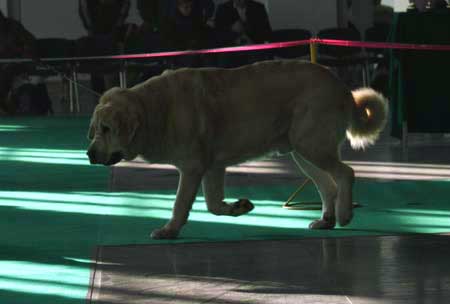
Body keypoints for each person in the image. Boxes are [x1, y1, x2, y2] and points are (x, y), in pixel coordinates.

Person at [78, 0, 131, 94]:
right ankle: (100, 95)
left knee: (113, 68)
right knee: (97, 67)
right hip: (96, 32)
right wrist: (90, 28)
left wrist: (118, 25)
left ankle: (112, 95)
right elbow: (84, 8)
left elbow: (125, 6)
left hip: (113, 33)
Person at [0, 9, 38, 114]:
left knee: (5, 74)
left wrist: (24, 53)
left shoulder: (13, 26)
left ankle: (8, 105)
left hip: (16, 64)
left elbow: (31, 42)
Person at [215, 0, 272, 67]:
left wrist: (250, 35)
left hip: (253, 46)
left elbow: (266, 32)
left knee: (257, 59)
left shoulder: (258, 7)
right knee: (225, 59)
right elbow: (218, 34)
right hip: (231, 47)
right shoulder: (223, 9)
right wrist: (232, 29)